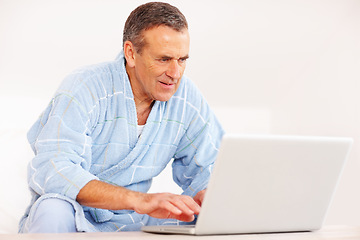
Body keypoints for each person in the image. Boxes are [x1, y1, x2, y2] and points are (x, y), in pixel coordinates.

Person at [19, 2, 224, 233]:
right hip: (76, 213)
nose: (175, 74)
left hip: (134, 220)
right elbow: (54, 169)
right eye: (163, 59)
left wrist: (210, 194)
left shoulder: (186, 98)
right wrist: (140, 200)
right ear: (131, 53)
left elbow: (211, 167)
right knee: (52, 210)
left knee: (208, 217)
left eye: (182, 60)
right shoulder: (85, 87)